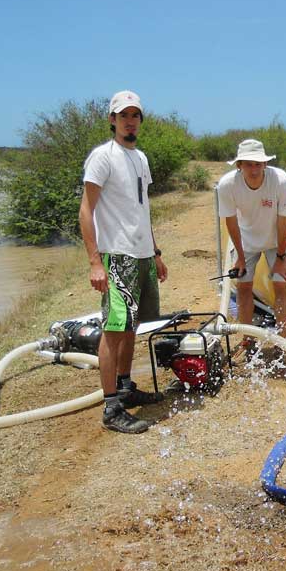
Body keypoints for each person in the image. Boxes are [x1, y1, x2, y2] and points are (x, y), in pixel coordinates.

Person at [79, 90, 167, 434]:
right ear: (112, 120)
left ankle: (126, 386)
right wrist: (95, 262)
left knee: (132, 326)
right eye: (123, 115)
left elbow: (141, 210)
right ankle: (111, 407)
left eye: (135, 115)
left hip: (142, 255)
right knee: (114, 328)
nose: (130, 121)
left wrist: (156, 253)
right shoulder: (103, 157)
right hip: (117, 256)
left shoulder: (140, 158)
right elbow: (86, 210)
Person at [216, 138, 286, 353]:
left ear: (265, 165)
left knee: (281, 284)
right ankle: (248, 339)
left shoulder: (281, 181)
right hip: (245, 238)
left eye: (258, 164)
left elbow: (284, 220)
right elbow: (230, 221)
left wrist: (280, 258)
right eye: (248, 164)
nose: (253, 169)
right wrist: (240, 257)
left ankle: (282, 341)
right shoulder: (227, 185)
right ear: (239, 165)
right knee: (243, 286)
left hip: (277, 237)